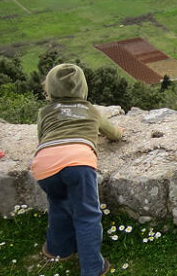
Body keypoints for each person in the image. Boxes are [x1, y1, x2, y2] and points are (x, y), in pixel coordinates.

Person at [31, 63, 123, 276]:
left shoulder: (44, 112)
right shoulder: (90, 110)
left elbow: (42, 138)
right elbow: (114, 133)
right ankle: (92, 267)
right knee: (87, 215)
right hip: (78, 163)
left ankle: (58, 249)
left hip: (44, 163)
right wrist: (118, 132)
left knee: (58, 204)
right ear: (82, 87)